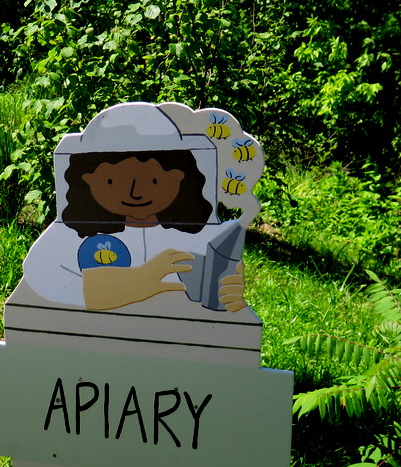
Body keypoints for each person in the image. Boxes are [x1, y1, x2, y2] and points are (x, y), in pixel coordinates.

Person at [21, 103, 249, 312]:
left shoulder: (201, 234)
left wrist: (229, 293)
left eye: (153, 181)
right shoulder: (70, 233)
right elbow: (41, 275)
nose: (135, 193)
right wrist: (136, 283)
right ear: (87, 179)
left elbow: (221, 286)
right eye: (112, 182)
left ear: (179, 176)